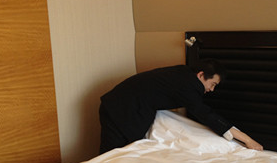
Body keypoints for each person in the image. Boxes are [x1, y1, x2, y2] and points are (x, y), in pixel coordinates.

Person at [98, 59, 263, 154]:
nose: (211, 90)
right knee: (111, 155)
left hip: (122, 105)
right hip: (119, 108)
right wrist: (248, 140)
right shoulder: (188, 85)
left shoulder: (183, 75)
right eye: (212, 84)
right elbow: (207, 116)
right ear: (201, 75)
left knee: (118, 154)